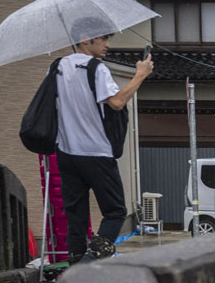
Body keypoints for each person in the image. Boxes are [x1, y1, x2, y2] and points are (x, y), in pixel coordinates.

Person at [55, 21, 152, 263]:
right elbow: (117, 102)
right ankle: (90, 260)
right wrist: (140, 75)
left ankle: (75, 265)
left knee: (75, 213)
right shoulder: (96, 69)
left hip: (66, 151)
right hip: (95, 151)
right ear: (86, 39)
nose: (107, 44)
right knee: (116, 210)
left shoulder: (56, 67)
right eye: (103, 39)